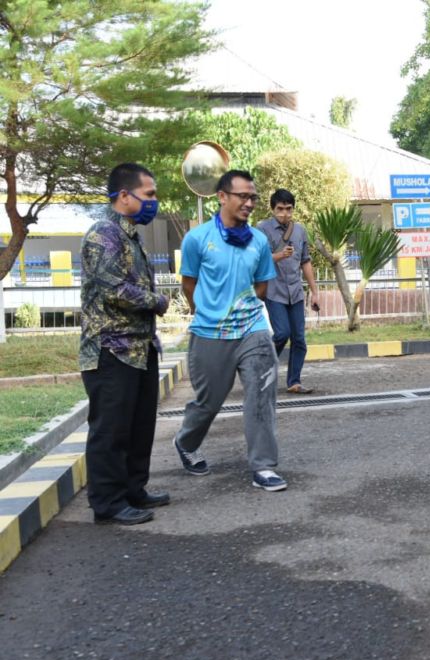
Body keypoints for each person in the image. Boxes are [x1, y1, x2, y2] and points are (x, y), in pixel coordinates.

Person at [174, 169, 288, 491]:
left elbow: (262, 286)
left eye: (253, 197)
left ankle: (264, 466)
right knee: (209, 402)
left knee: (262, 395)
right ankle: (186, 441)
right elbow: (189, 283)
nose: (249, 203)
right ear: (222, 197)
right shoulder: (198, 239)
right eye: (243, 196)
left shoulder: (259, 241)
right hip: (210, 332)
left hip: (253, 328)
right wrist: (206, 310)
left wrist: (244, 309)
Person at [79, 162, 171, 525]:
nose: (154, 201)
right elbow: (114, 289)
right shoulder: (103, 234)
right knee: (111, 430)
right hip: (111, 350)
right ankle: (108, 502)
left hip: (139, 348)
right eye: (149, 194)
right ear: (124, 196)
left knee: (139, 426)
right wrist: (157, 301)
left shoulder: (130, 235)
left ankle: (134, 490)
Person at [257, 189, 320, 394]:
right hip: (274, 291)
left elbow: (305, 262)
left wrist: (314, 292)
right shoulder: (262, 229)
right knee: (282, 333)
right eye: (280, 209)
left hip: (296, 291)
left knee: (299, 339)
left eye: (289, 209)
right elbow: (258, 259)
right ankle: (261, 367)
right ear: (272, 209)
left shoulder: (300, 230)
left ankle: (294, 381)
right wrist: (280, 255)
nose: (285, 213)